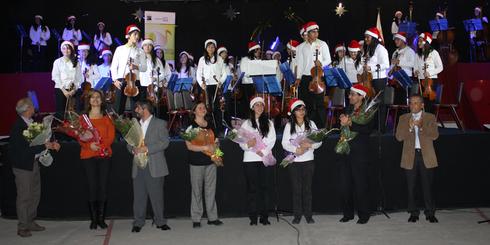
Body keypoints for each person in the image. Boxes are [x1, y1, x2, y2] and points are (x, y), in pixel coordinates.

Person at [8, 98, 61, 237]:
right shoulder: (19, 127)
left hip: (33, 163)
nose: (34, 108)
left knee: (35, 194)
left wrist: (49, 142)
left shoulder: (30, 123)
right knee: (24, 196)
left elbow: (39, 141)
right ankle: (23, 226)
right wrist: (45, 145)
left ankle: (30, 221)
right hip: (23, 166)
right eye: (32, 106)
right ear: (27, 109)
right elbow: (26, 149)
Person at [127, 100, 171, 232]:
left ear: (144, 109)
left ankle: (160, 221)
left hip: (155, 165)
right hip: (138, 166)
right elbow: (128, 144)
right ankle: (138, 222)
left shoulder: (160, 123)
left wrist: (146, 149)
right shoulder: (134, 125)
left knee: (157, 196)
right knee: (139, 196)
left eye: (138, 108)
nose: (135, 110)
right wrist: (132, 149)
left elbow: (165, 143)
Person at [395, 94, 439, 223]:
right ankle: (413, 212)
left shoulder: (430, 117)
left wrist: (421, 127)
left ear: (422, 105)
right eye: (411, 103)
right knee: (411, 187)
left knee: (427, 187)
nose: (412, 105)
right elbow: (398, 137)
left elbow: (435, 135)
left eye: (415, 103)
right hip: (410, 156)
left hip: (426, 156)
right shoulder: (403, 118)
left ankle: (430, 212)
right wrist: (409, 128)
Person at [76, 90, 115, 229]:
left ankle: (101, 219)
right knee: (92, 187)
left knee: (103, 187)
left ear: (102, 100)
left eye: (98, 97)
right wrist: (89, 145)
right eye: (92, 97)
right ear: (89, 101)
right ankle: (93, 220)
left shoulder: (107, 117)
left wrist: (100, 147)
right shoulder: (83, 118)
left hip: (104, 155)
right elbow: (79, 137)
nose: (95, 99)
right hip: (88, 155)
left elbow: (111, 136)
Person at [338, 84, 375, 224]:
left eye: (353, 94)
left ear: (361, 96)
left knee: (361, 185)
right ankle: (348, 214)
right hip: (346, 150)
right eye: (350, 94)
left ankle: (364, 214)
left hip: (360, 152)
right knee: (345, 185)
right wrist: (342, 120)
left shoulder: (368, 110)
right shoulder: (348, 109)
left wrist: (350, 123)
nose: (349, 96)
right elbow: (343, 126)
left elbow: (367, 129)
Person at [282, 98, 322, 224]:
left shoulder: (311, 124)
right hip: (294, 162)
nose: (301, 112)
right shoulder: (289, 125)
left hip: (308, 160)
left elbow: (319, 141)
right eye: (298, 110)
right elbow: (284, 143)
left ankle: (309, 215)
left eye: (303, 109)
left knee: (307, 189)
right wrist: (296, 149)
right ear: (294, 112)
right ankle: (297, 215)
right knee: (296, 190)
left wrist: (310, 146)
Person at [184, 102, 223, 228]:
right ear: (194, 111)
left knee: (211, 191)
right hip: (196, 163)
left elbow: (217, 142)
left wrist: (217, 154)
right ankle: (196, 218)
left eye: (204, 108)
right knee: (196, 191)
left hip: (211, 162)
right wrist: (205, 147)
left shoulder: (210, 124)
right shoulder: (190, 126)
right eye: (199, 108)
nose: (202, 109)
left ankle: (212, 217)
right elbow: (189, 146)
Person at [238, 97, 276, 225]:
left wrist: (263, 152)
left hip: (264, 159)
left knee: (265, 188)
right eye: (256, 105)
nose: (259, 107)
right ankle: (253, 217)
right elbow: (241, 142)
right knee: (252, 189)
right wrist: (249, 145)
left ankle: (264, 217)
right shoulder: (246, 124)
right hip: (249, 159)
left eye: (261, 105)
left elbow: (272, 140)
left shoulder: (269, 123)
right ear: (252, 108)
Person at [295, 21, 331, 128]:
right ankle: (309, 126)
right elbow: (300, 64)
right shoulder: (301, 47)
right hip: (306, 78)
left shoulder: (322, 44)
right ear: (308, 33)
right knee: (307, 103)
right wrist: (298, 77)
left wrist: (321, 64)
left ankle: (321, 127)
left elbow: (328, 59)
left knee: (319, 104)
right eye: (313, 32)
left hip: (318, 77)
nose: (316, 34)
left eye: (317, 32)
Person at [110, 24, 147, 114]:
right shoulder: (119, 49)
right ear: (128, 36)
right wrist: (115, 80)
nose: (137, 37)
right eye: (135, 34)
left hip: (135, 81)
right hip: (121, 80)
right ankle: (117, 127)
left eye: (138, 34)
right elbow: (113, 66)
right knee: (118, 108)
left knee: (136, 109)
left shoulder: (140, 51)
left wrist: (135, 67)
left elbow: (144, 67)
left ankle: (136, 127)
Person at [196, 39, 227, 134]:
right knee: (207, 108)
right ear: (206, 48)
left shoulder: (219, 59)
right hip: (206, 87)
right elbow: (198, 73)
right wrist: (201, 83)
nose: (211, 48)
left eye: (212, 46)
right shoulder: (202, 59)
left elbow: (224, 73)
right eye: (209, 46)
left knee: (217, 107)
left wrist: (220, 81)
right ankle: (207, 128)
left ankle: (218, 128)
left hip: (216, 86)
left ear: (215, 48)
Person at [363, 27, 390, 132]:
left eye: (367, 37)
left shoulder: (381, 49)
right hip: (371, 79)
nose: (366, 39)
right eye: (365, 37)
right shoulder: (370, 49)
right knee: (372, 103)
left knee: (380, 104)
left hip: (380, 79)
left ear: (373, 38)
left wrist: (372, 68)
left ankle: (381, 128)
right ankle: (374, 126)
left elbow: (386, 64)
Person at [51, 41, 83, 119]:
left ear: (71, 50)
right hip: (61, 89)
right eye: (64, 48)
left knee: (75, 111)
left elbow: (79, 78)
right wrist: (64, 91)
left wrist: (74, 90)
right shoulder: (57, 62)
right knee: (61, 112)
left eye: (68, 48)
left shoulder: (76, 62)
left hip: (73, 89)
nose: (66, 50)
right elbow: (55, 76)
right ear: (61, 50)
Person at [414, 32, 443, 113]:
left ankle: (430, 122)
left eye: (420, 41)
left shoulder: (434, 53)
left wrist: (430, 73)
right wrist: (415, 71)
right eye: (418, 41)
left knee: (430, 103)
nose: (418, 43)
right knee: (422, 103)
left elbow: (440, 67)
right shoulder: (417, 54)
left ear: (426, 42)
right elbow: (415, 66)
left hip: (431, 81)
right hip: (421, 81)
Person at [238, 41, 262, 119]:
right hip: (247, 84)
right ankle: (247, 119)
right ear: (253, 50)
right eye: (258, 50)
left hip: (257, 84)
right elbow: (244, 72)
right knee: (248, 103)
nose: (259, 52)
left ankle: (255, 118)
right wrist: (255, 73)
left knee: (256, 102)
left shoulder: (258, 60)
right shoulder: (245, 59)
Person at [391, 32, 416, 101]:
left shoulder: (409, 51)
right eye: (395, 40)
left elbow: (414, 64)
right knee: (396, 99)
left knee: (404, 99)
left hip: (405, 78)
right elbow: (392, 66)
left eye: (397, 39)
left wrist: (399, 62)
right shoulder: (395, 52)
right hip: (396, 80)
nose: (395, 41)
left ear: (403, 40)